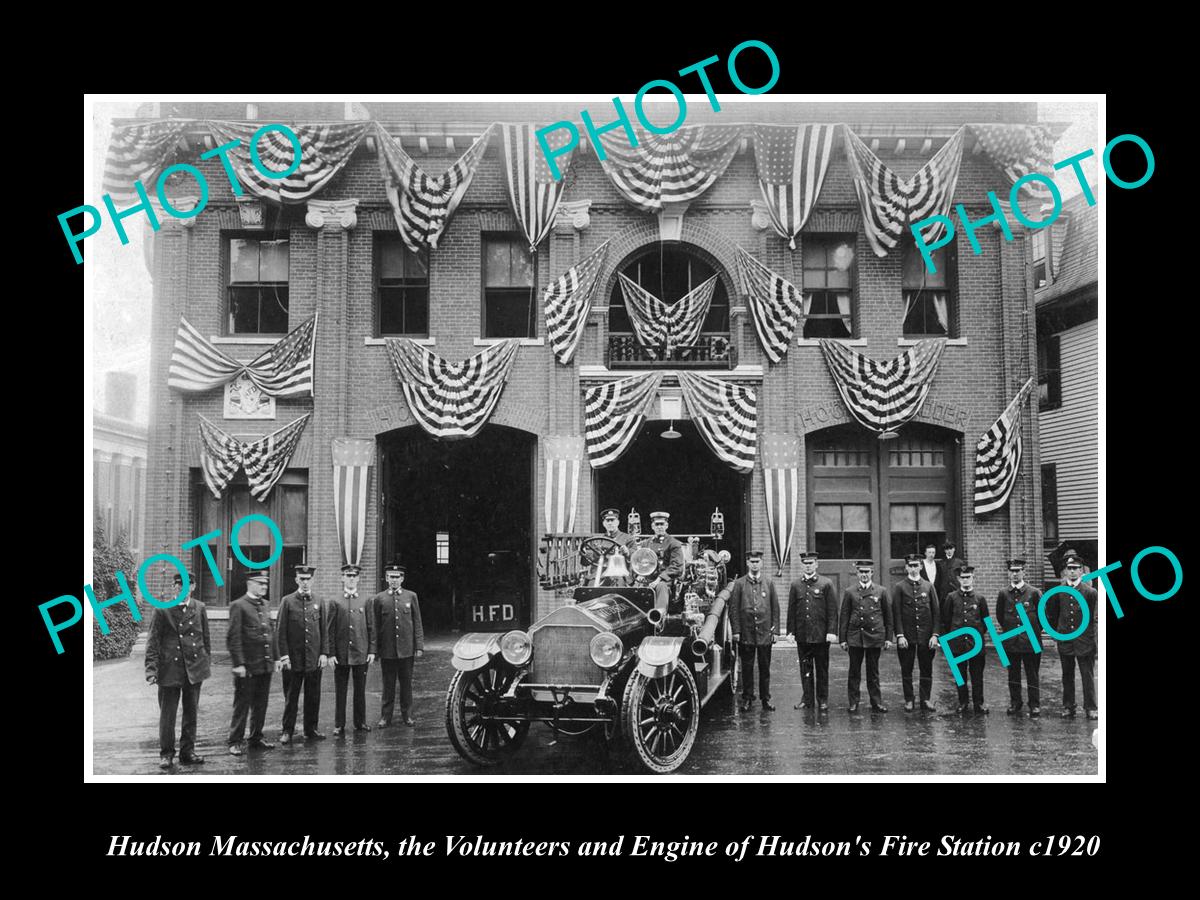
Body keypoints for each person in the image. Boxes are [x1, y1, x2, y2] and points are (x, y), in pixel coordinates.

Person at [144, 570, 211, 769]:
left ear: (193, 587)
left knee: (191, 713)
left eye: (186, 585)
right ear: (174, 587)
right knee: (168, 715)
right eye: (177, 585)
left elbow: (205, 639)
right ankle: (166, 753)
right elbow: (153, 642)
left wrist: (204, 663)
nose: (181, 589)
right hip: (169, 669)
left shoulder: (200, 608)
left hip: (193, 669)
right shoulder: (162, 610)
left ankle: (187, 751)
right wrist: (151, 670)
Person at [276, 564, 330, 743]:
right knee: (291, 697)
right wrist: (284, 656)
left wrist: (324, 653)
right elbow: (281, 632)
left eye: (308, 579)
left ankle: (311, 729)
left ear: (312, 580)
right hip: (293, 660)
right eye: (302, 579)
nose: (305, 583)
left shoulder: (319, 601)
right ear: (296, 580)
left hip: (313, 658)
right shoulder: (287, 601)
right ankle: (287, 731)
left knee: (313, 696)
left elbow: (324, 630)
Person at [227, 571, 278, 755]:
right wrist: (239, 663)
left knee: (261, 704)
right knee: (242, 705)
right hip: (247, 667)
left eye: (265, 584)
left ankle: (256, 737)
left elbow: (271, 633)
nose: (264, 587)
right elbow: (233, 637)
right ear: (250, 584)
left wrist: (276, 658)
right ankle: (235, 740)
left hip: (264, 665)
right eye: (260, 583)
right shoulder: (238, 606)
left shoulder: (264, 604)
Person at [1045, 553, 1098, 720]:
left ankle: (1091, 707)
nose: (1073, 571)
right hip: (1065, 640)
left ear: (1081, 571)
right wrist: (1057, 635)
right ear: (1065, 571)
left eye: (1076, 568)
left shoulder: (1090, 592)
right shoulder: (1058, 592)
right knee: (1067, 675)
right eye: (1069, 568)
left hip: (1084, 641)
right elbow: (1052, 616)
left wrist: (1093, 639)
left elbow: (1094, 617)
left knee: (1086, 675)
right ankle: (1068, 706)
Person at [786, 551, 838, 712]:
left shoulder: (826, 584)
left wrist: (831, 631)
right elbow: (792, 609)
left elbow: (832, 610)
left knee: (822, 669)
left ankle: (822, 699)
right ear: (802, 565)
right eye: (805, 563)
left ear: (816, 564)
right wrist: (790, 632)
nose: (808, 566)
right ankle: (807, 699)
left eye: (811, 563)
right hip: (803, 635)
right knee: (805, 669)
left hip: (821, 635)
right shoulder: (796, 585)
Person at [728, 550, 780, 711]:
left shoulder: (769, 583)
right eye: (752, 562)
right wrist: (736, 631)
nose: (755, 564)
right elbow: (734, 609)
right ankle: (748, 698)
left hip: (764, 632)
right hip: (747, 632)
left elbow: (775, 608)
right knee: (747, 667)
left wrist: (776, 631)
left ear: (762, 563)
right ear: (747, 563)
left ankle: (766, 699)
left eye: (757, 561)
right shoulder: (739, 584)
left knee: (765, 668)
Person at [839, 560, 893, 713]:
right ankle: (853, 702)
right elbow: (844, 616)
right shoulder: (850, 592)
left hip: (874, 636)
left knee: (873, 672)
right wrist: (842, 639)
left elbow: (888, 617)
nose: (864, 575)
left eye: (867, 572)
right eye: (861, 572)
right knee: (854, 672)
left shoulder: (881, 591)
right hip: (855, 636)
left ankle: (876, 702)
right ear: (857, 573)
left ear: (872, 573)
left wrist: (888, 638)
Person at [891, 553, 941, 712]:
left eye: (916, 565)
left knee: (926, 668)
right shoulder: (900, 587)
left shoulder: (928, 586)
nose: (913, 569)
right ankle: (909, 699)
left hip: (926, 636)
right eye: (910, 566)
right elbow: (896, 613)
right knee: (907, 668)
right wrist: (899, 635)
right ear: (906, 567)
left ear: (920, 566)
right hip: (907, 636)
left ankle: (925, 699)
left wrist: (935, 635)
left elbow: (936, 612)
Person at [375, 564, 424, 727]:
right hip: (388, 650)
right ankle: (385, 717)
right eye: (391, 577)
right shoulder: (380, 598)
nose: (394, 580)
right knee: (388, 685)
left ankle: (407, 715)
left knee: (406, 684)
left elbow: (417, 622)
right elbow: (376, 625)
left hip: (406, 649)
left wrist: (419, 646)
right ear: (387, 578)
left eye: (397, 577)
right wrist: (375, 650)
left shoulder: (411, 597)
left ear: (402, 578)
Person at [994, 558, 1044, 718]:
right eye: (1012, 571)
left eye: (1018, 571)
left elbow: (1042, 618)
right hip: (1011, 641)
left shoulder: (1034, 593)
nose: (1015, 574)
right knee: (1013, 674)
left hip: (1031, 641)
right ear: (1008, 573)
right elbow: (1000, 616)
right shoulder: (1003, 594)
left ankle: (1034, 705)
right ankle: (1016, 703)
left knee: (1032, 674)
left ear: (1024, 572)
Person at [330, 564, 376, 735]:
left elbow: (371, 627)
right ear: (342, 578)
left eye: (353, 576)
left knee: (360, 690)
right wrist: (331, 653)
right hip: (341, 654)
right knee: (340, 691)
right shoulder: (335, 601)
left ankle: (360, 722)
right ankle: (339, 724)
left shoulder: (366, 600)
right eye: (347, 575)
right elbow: (330, 629)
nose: (350, 578)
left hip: (360, 652)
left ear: (358, 578)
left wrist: (371, 651)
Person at [940, 564, 989, 715]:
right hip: (957, 644)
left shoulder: (980, 599)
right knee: (960, 676)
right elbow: (946, 620)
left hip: (975, 644)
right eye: (962, 578)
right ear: (958, 579)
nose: (965, 580)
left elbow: (985, 622)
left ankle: (978, 703)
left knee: (977, 676)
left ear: (973, 578)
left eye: (968, 577)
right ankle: (963, 702)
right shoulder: (951, 598)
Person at [642, 511, 684, 611]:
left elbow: (676, 566)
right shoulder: (646, 543)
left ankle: (659, 617)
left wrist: (659, 579)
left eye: (662, 524)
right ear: (652, 526)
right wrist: (640, 574)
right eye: (657, 524)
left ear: (667, 525)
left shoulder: (673, 543)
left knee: (661, 587)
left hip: (666, 581)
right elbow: (639, 562)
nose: (659, 527)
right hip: (648, 579)